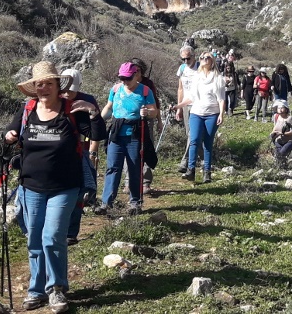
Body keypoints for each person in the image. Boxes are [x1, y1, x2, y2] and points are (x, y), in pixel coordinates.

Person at [4, 61, 105, 313]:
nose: (44, 87)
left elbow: (97, 133)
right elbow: (11, 131)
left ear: (58, 86)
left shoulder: (72, 110)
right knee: (34, 240)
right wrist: (9, 135)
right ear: (34, 88)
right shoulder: (27, 109)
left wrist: (92, 111)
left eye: (49, 83)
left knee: (52, 237)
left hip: (65, 187)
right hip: (30, 188)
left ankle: (57, 289)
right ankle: (36, 291)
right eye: (40, 84)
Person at [96, 62, 159, 216]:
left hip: (134, 134)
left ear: (135, 75)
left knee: (134, 167)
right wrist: (97, 120)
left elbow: (154, 111)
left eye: (127, 78)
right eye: (121, 78)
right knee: (112, 167)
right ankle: (106, 203)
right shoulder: (116, 89)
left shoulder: (145, 91)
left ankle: (135, 202)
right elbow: (109, 107)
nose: (124, 81)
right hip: (116, 134)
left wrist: (147, 112)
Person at [59, 68, 100, 247]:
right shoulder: (54, 98)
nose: (68, 93)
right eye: (66, 89)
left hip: (79, 151)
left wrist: (92, 152)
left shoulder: (88, 100)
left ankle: (71, 233)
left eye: (72, 90)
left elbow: (96, 132)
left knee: (78, 193)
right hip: (55, 152)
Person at [170, 51, 225, 183]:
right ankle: (191, 170)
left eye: (207, 57)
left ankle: (207, 172)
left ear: (212, 61)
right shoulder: (197, 77)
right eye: (202, 57)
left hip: (212, 114)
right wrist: (179, 106)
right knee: (194, 139)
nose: (204, 59)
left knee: (207, 143)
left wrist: (221, 114)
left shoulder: (218, 78)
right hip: (196, 112)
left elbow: (221, 99)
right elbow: (191, 97)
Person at [129, 58, 162, 195]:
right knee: (130, 150)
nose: (134, 73)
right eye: (133, 70)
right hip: (130, 122)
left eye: (137, 70)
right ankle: (128, 182)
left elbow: (156, 105)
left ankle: (146, 182)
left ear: (142, 71)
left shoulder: (148, 85)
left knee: (147, 148)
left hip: (147, 120)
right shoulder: (125, 83)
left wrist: (159, 120)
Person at [175, 44, 200, 173]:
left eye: (188, 58)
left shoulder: (201, 68)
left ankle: (185, 162)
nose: (186, 61)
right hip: (186, 105)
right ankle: (195, 157)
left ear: (194, 56)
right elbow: (180, 88)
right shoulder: (182, 69)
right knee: (189, 134)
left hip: (199, 105)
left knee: (192, 134)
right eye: (183, 59)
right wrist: (179, 107)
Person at [270, 99, 292, 168]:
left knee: (281, 154)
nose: (280, 109)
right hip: (278, 141)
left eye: (282, 107)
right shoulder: (276, 117)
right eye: (278, 108)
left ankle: (282, 169)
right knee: (279, 157)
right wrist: (273, 133)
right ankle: (283, 169)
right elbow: (275, 127)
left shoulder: (289, 118)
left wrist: (282, 133)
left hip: (289, 141)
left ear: (286, 109)